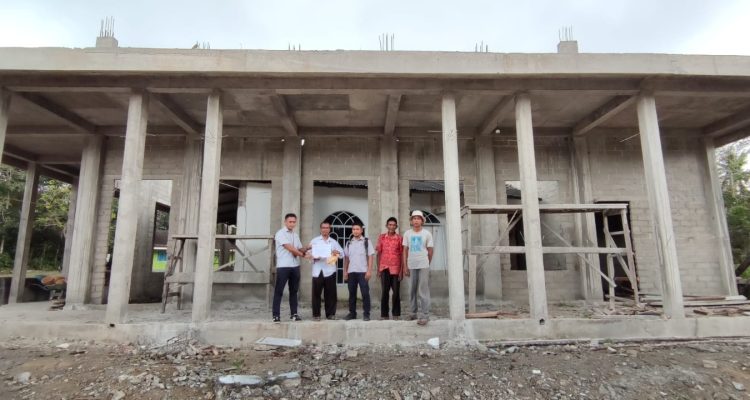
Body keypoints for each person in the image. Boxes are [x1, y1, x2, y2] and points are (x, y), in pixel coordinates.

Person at [272, 213, 306, 323]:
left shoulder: (295, 235)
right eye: (290, 222)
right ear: (285, 222)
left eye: (294, 222)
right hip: (283, 266)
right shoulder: (280, 233)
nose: (292, 224)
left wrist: (310, 248)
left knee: (294, 291)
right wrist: (303, 255)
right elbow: (289, 248)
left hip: (295, 266)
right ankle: (276, 315)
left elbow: (299, 249)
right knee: (279, 291)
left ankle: (294, 314)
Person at [403, 210, 434, 326]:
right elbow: (405, 251)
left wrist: (427, 263)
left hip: (423, 265)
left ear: (422, 221)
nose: (416, 220)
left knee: (423, 290)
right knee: (412, 289)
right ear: (411, 221)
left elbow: (430, 250)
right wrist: (405, 266)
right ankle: (413, 313)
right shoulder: (407, 234)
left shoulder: (427, 234)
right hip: (411, 265)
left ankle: (425, 315)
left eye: (418, 218)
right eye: (414, 218)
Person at [308, 221, 343, 321]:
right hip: (317, 270)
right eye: (323, 228)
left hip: (330, 270)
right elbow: (308, 255)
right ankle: (316, 315)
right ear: (320, 229)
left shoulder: (333, 242)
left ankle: (330, 314)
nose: (325, 230)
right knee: (316, 294)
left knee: (331, 294)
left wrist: (336, 252)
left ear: (329, 229)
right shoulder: (314, 241)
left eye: (327, 228)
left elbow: (342, 254)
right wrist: (313, 257)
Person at [343, 222, 375, 321]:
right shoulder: (349, 243)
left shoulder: (366, 242)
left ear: (361, 230)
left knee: (365, 293)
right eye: (354, 229)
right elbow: (346, 258)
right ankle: (352, 313)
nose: (355, 231)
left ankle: (366, 314)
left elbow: (370, 256)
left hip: (363, 271)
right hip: (351, 271)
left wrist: (369, 271)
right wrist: (345, 271)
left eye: (357, 229)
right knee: (352, 294)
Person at [376, 217, 403, 320]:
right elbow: (379, 254)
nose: (391, 226)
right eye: (390, 225)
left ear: (396, 226)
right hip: (384, 268)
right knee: (384, 292)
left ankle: (396, 314)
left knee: (396, 292)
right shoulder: (382, 237)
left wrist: (401, 271)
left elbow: (402, 255)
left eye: (393, 225)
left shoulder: (399, 238)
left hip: (396, 268)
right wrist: (378, 269)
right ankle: (384, 314)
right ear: (386, 226)